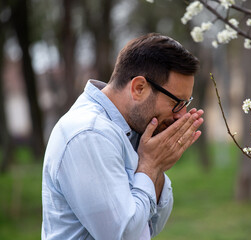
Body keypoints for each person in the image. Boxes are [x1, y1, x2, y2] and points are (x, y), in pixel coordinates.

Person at [41, 33, 204, 240]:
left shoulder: (132, 130)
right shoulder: (89, 134)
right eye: (176, 102)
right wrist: (150, 166)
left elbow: (150, 226)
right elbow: (123, 235)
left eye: (186, 103)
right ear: (139, 88)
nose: (181, 115)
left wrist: (157, 166)